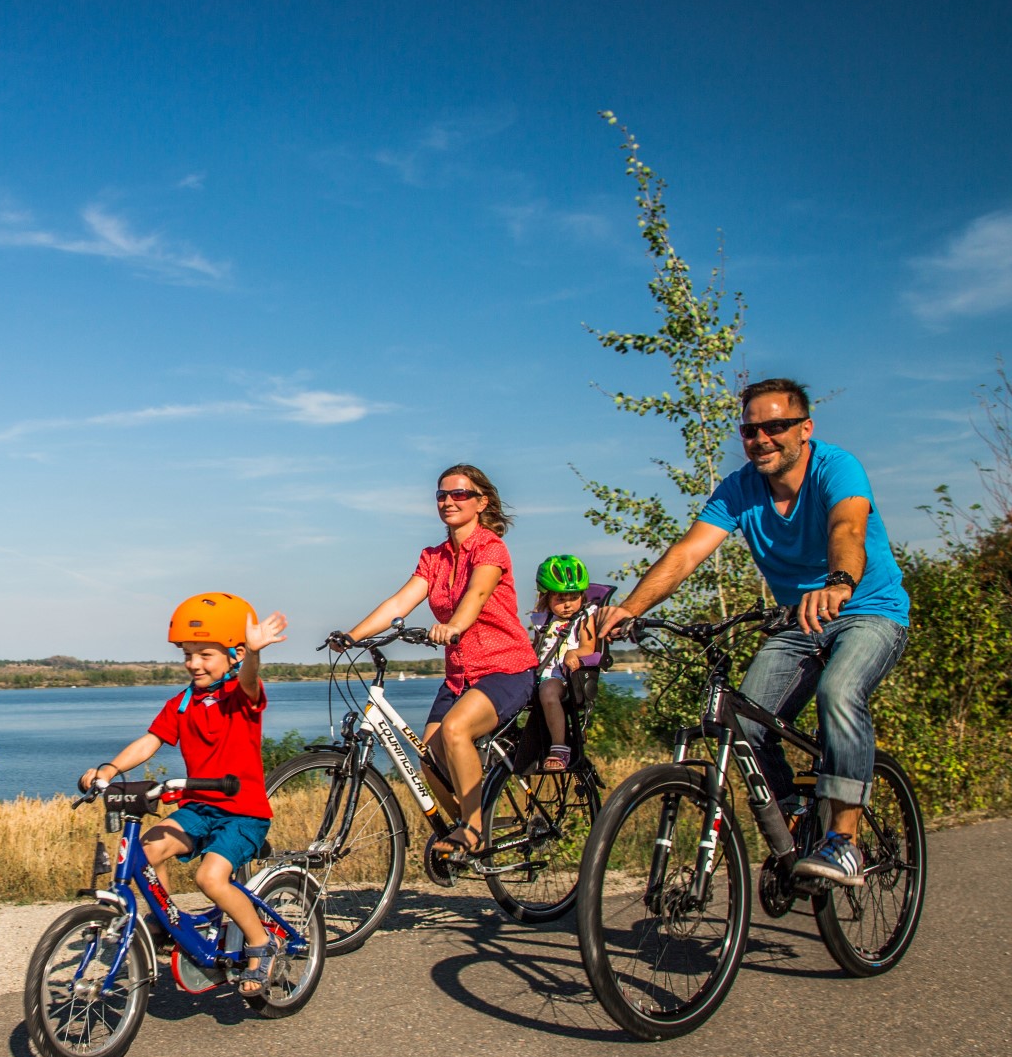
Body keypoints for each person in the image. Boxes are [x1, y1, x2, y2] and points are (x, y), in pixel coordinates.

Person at [597, 378, 910, 886]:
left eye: (776, 427)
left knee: (839, 690)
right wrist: (629, 608)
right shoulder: (740, 488)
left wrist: (838, 583)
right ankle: (792, 821)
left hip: (868, 610)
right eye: (750, 430)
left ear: (804, 429)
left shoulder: (836, 467)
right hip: (799, 621)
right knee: (746, 723)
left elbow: (847, 528)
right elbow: (687, 554)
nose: (762, 438)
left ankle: (843, 842)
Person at [81, 592, 288, 997]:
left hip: (242, 812)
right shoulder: (182, 704)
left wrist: (255, 656)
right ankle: (164, 921)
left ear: (234, 654)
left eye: (205, 654)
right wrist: (110, 769)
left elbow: (248, 682)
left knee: (210, 877)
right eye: (187, 654)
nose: (193, 663)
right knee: (144, 852)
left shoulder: (241, 696)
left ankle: (262, 945)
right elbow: (151, 741)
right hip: (199, 807)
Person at [331, 464, 539, 866]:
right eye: (442, 495)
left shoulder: (490, 547)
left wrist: (455, 625)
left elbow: (477, 594)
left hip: (505, 667)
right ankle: (471, 820)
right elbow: (398, 603)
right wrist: (351, 637)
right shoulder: (434, 557)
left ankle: (475, 829)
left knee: (457, 729)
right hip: (461, 674)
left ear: (481, 502)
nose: (448, 501)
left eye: (460, 494)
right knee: (429, 756)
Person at [529, 553, 600, 773]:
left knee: (548, 692)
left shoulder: (584, 617)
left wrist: (574, 653)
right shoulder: (544, 620)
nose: (568, 604)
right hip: (542, 671)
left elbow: (589, 647)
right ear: (547, 598)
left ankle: (560, 748)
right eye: (560, 599)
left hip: (564, 676)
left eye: (573, 597)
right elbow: (536, 647)